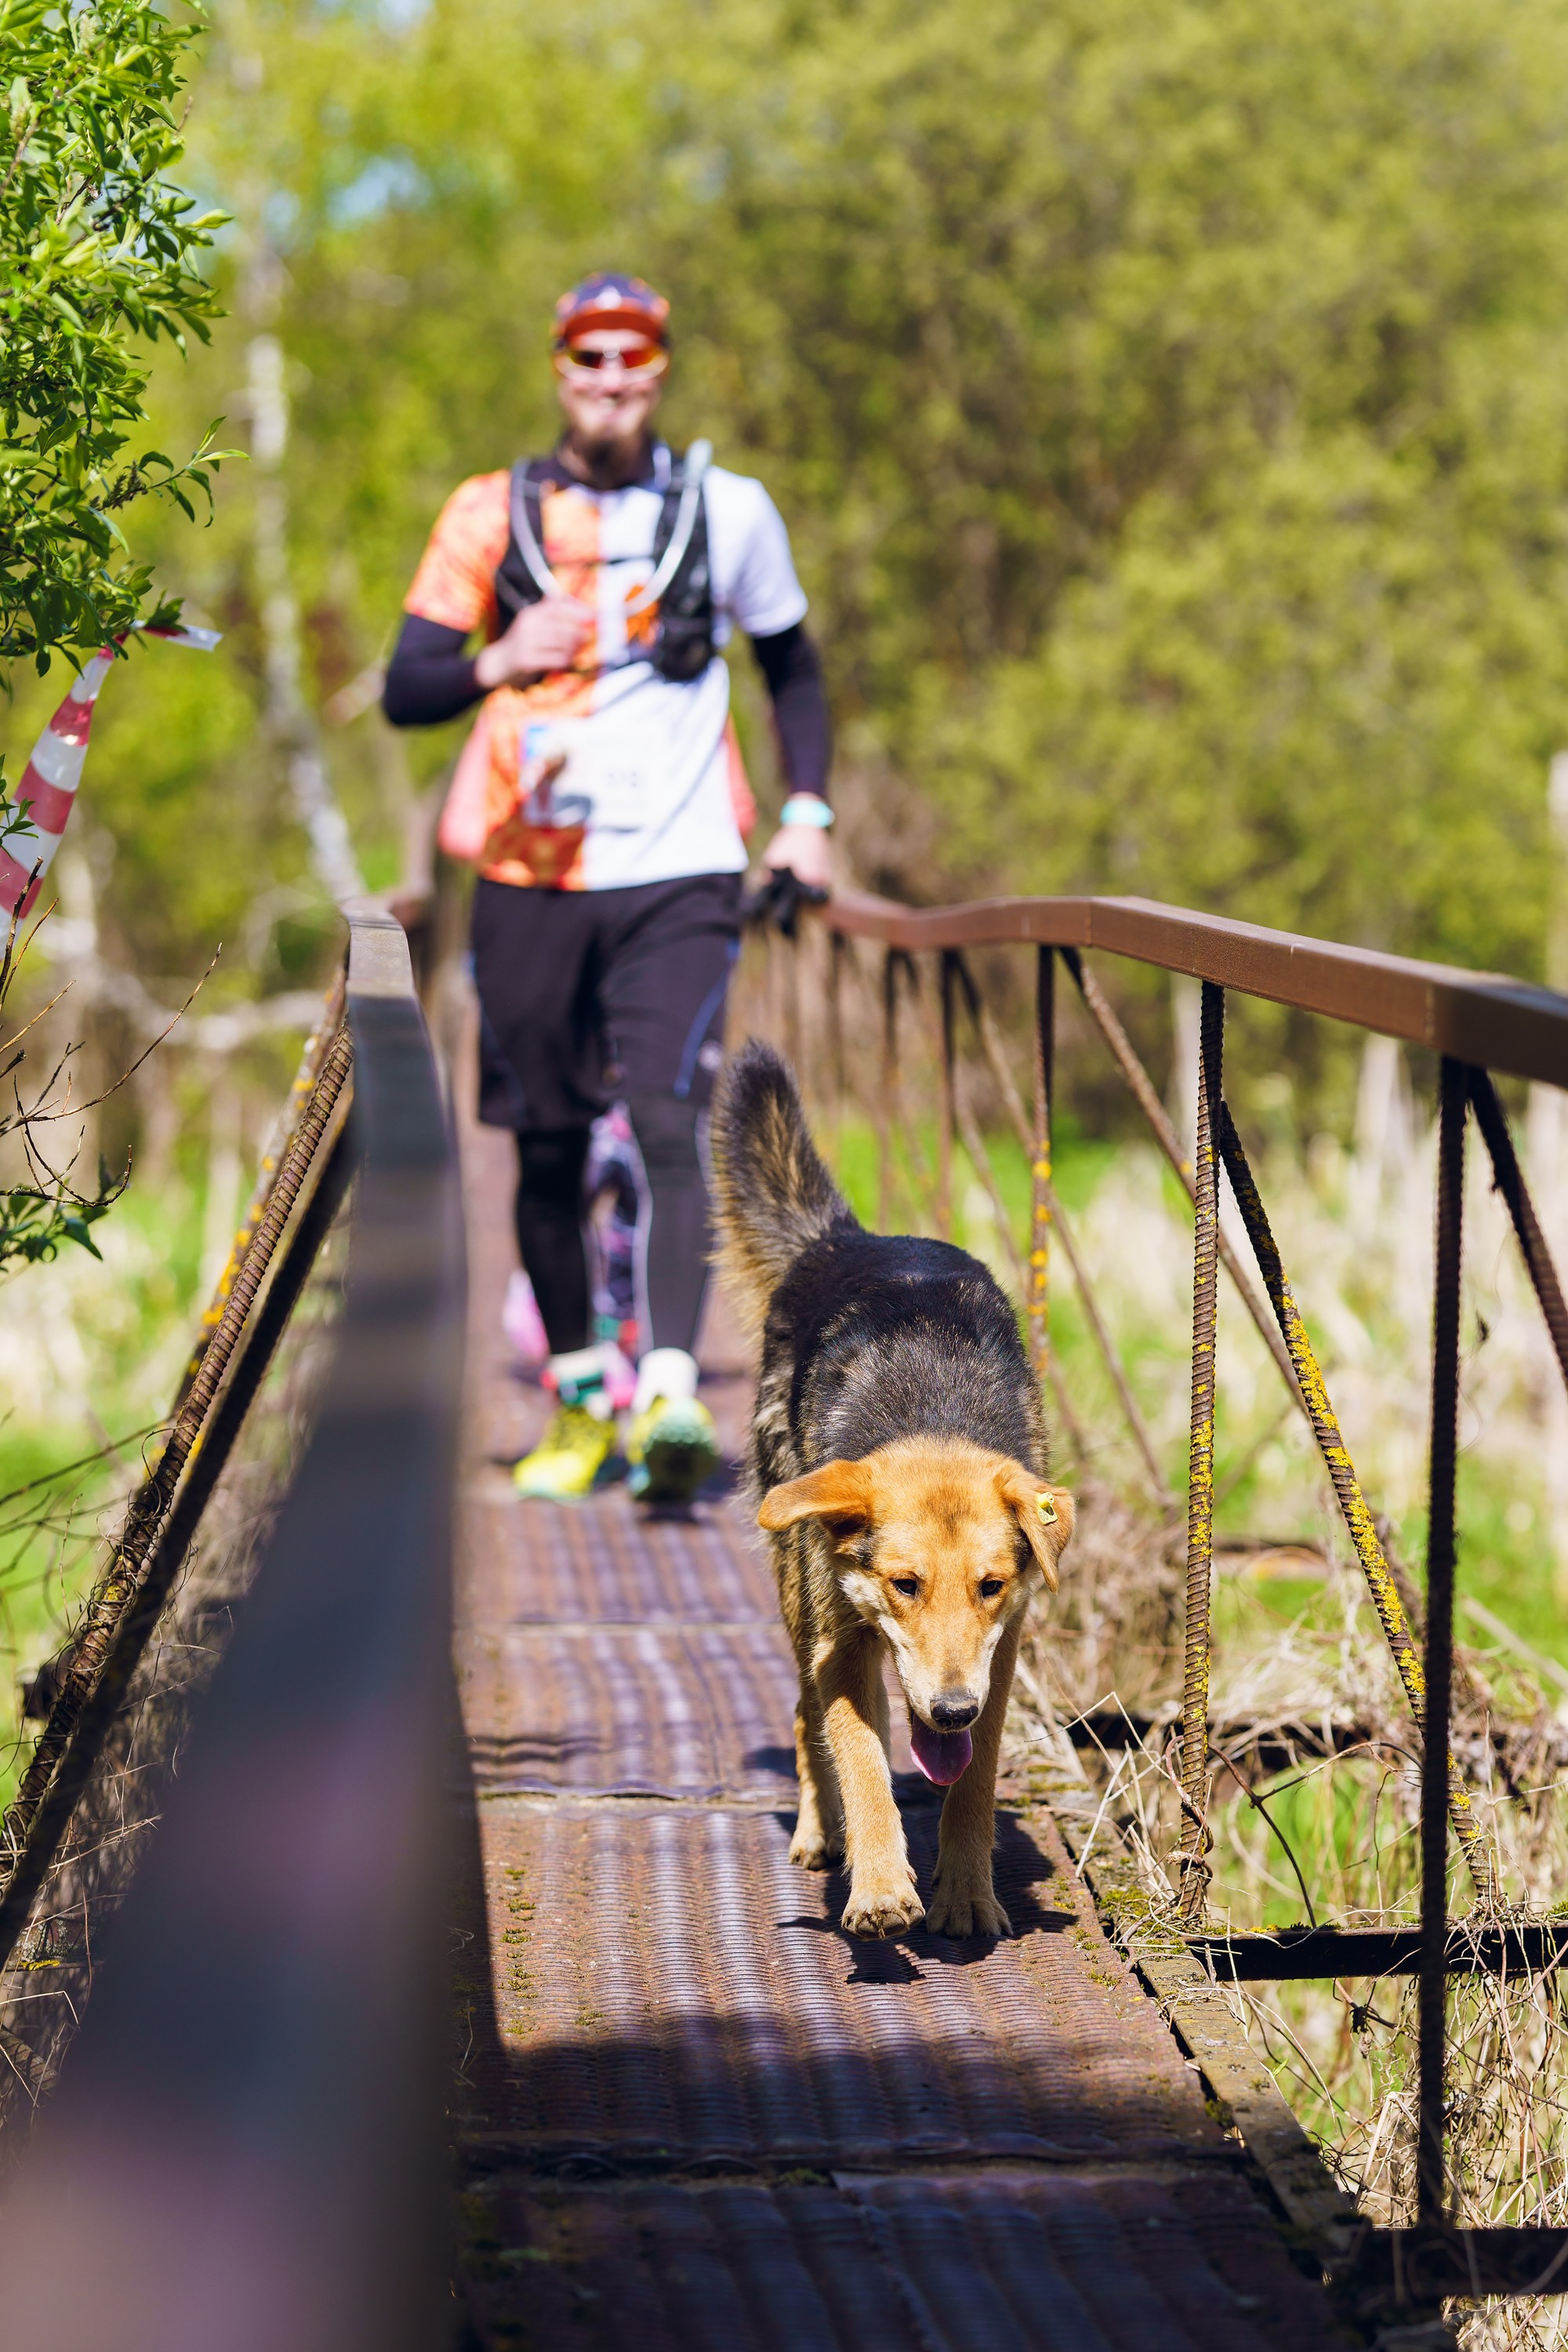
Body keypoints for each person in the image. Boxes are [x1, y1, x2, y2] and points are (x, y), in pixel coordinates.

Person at [383, 270, 833, 1502]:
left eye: (633, 356)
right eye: (590, 356)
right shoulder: (491, 513)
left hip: (681, 864)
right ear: (560, 368)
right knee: (543, 1143)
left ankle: (673, 1394)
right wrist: (496, 660)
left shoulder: (728, 510)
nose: (612, 377)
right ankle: (583, 1401)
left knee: (670, 1114)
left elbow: (793, 668)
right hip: (529, 872)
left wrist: (805, 817)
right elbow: (406, 688)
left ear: (661, 369)